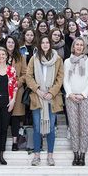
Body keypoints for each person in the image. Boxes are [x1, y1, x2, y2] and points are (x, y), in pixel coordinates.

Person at [26, 35, 64, 166]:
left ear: (50, 44)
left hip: (52, 98)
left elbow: (60, 78)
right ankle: (36, 156)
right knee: (37, 128)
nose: (45, 44)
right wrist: (38, 90)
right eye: (43, 42)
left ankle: (50, 156)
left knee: (51, 128)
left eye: (48, 42)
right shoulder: (34, 58)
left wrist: (52, 92)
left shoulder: (58, 59)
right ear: (40, 44)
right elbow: (28, 77)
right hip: (38, 97)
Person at [63, 37, 88, 166]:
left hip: (85, 98)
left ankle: (82, 154)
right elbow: (65, 80)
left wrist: (83, 94)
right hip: (71, 98)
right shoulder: (67, 61)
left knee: (83, 127)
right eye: (77, 44)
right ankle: (75, 153)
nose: (79, 46)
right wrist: (70, 93)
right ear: (73, 46)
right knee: (74, 127)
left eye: (81, 45)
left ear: (84, 47)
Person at [4, 36, 27, 151]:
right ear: (5, 43)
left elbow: (25, 74)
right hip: (2, 90)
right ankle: (2, 142)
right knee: (3, 115)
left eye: (13, 42)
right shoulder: (0, 55)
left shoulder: (21, 57)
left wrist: (17, 83)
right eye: (8, 42)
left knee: (15, 117)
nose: (10, 44)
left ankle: (14, 142)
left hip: (17, 90)